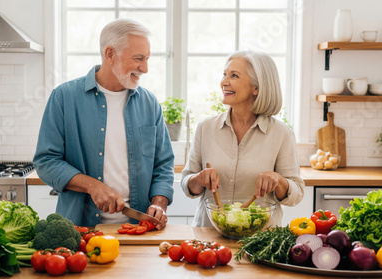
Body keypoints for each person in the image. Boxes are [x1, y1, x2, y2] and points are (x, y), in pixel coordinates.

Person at [33, 18, 174, 230]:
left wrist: (159, 203)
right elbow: (46, 161)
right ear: (110, 54)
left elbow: (163, 163)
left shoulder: (149, 103)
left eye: (147, 59)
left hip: (138, 230)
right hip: (80, 231)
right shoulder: (64, 97)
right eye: (138, 58)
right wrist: (92, 186)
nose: (145, 68)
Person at [180, 50, 305, 228]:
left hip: (259, 242)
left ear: (256, 87)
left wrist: (278, 180)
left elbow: (297, 194)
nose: (224, 82)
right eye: (224, 75)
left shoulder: (281, 134)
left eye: (234, 76)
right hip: (209, 240)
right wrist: (198, 179)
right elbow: (186, 182)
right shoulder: (205, 128)